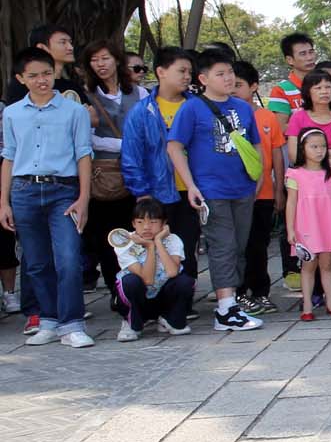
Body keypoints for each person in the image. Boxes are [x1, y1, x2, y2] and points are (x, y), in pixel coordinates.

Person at [164, 48, 266, 332]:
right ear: (203, 78)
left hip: (243, 187)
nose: (228, 78)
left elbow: (255, 143)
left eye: (230, 72)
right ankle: (225, 308)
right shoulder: (192, 108)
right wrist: (191, 185)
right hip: (211, 189)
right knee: (223, 246)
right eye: (220, 74)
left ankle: (231, 302)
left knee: (239, 246)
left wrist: (258, 175)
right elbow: (174, 146)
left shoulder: (243, 107)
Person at [1, 46, 94, 347]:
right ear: (20, 78)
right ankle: (48, 320)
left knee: (68, 258)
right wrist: (3, 202)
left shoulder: (74, 111)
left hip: (63, 190)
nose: (41, 80)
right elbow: (9, 157)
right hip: (24, 191)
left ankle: (72, 323)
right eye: (33, 76)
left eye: (46, 73)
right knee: (36, 262)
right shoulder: (12, 113)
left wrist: (84, 198)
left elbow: (83, 154)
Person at [286, 68, 331, 308]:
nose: (324, 91)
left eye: (328, 86)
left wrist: (322, 156)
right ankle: (316, 292)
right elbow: (294, 154)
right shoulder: (299, 117)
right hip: (309, 193)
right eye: (317, 87)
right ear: (308, 91)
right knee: (313, 242)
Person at [121, 47, 201, 266]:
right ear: (161, 72)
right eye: (181, 71)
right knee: (156, 252)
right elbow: (131, 156)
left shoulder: (197, 106)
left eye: (190, 72)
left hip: (193, 190)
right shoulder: (142, 111)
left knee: (186, 250)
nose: (187, 76)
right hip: (157, 192)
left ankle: (187, 286)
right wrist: (141, 192)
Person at [81, 39, 143, 299]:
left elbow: (148, 130)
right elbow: (86, 138)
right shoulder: (85, 95)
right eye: (94, 60)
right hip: (103, 176)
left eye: (105, 58)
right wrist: (126, 144)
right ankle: (116, 291)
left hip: (137, 174)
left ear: (117, 60)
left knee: (138, 232)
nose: (100, 64)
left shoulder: (140, 93)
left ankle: (140, 287)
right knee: (108, 237)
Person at [231, 61, 288, 315]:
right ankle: (238, 293)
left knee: (259, 245)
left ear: (254, 86)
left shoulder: (267, 117)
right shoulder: (225, 116)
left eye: (239, 84)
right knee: (237, 246)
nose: (233, 89)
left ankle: (261, 292)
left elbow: (277, 154)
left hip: (264, 193)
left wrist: (279, 189)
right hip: (235, 192)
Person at [285, 127, 331, 320]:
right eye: (314, 146)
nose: (319, 151)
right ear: (302, 148)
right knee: (308, 265)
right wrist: (290, 229)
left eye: (323, 146)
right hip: (306, 225)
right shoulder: (295, 174)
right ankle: (307, 305)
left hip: (328, 223)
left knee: (327, 264)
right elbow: (291, 203)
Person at [111, 196, 195, 338]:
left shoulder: (173, 240)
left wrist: (158, 241)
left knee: (185, 282)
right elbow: (147, 280)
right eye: (140, 222)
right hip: (139, 297)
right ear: (133, 223)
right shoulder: (125, 243)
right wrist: (150, 246)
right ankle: (132, 323)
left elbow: (172, 272)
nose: (146, 227)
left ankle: (169, 319)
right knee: (130, 282)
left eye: (153, 222)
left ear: (164, 223)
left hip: (162, 297)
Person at [3, 22, 83, 104]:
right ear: (42, 48)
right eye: (63, 42)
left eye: (70, 42)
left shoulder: (72, 87)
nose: (71, 48)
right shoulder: (23, 84)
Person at [268, 32, 318, 117]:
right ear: (289, 60)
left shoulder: (326, 84)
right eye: (303, 54)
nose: (310, 58)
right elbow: (281, 125)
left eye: (311, 52)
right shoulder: (281, 91)